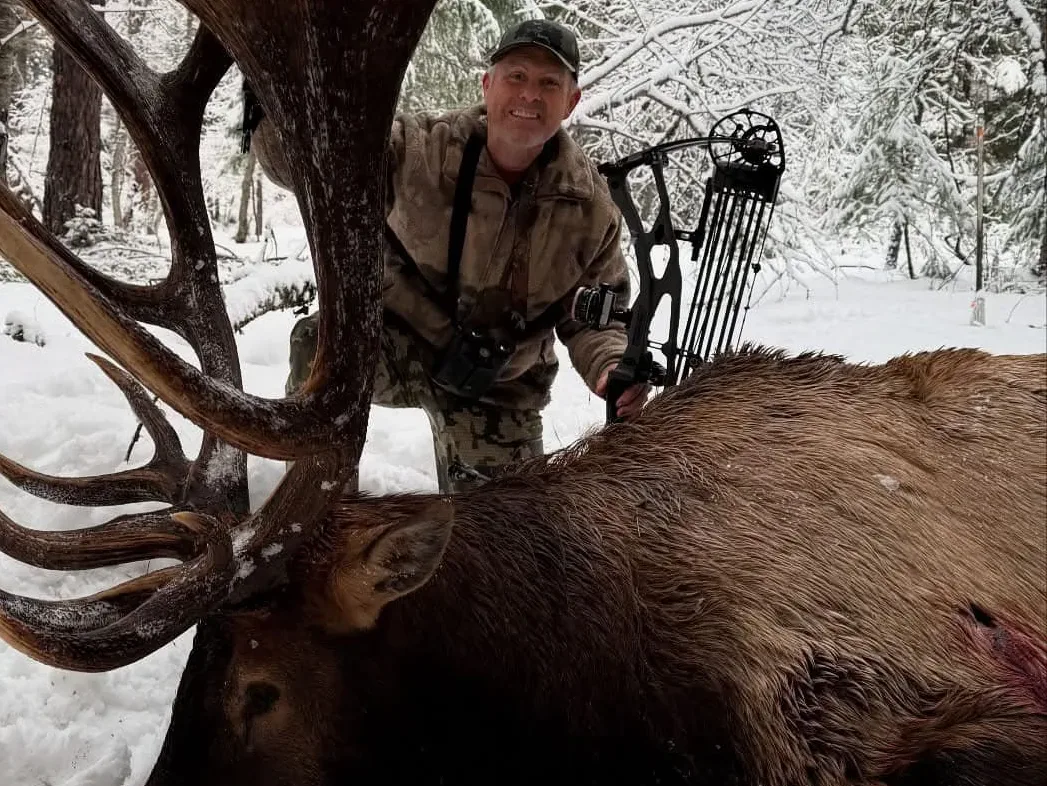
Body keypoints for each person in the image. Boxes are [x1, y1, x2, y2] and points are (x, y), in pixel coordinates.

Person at [250, 19, 649, 492]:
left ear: (572, 101)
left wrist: (610, 367)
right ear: (487, 84)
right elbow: (308, 163)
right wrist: (272, 96)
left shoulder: (589, 208)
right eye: (516, 77)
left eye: (549, 83)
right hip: (399, 344)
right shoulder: (418, 149)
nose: (529, 95)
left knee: (501, 531)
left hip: (499, 385)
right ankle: (312, 495)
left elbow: (598, 317)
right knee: (319, 342)